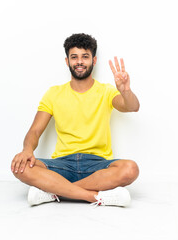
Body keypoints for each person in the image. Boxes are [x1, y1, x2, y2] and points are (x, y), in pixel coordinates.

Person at [11, 33, 140, 207]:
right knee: (21, 167)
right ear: (67, 61)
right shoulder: (53, 93)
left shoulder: (106, 91)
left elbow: (132, 106)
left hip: (98, 165)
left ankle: (54, 192)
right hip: (62, 164)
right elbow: (34, 131)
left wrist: (125, 91)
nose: (79, 62)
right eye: (74, 57)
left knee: (131, 169)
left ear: (93, 61)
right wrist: (27, 150)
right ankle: (93, 197)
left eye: (85, 57)